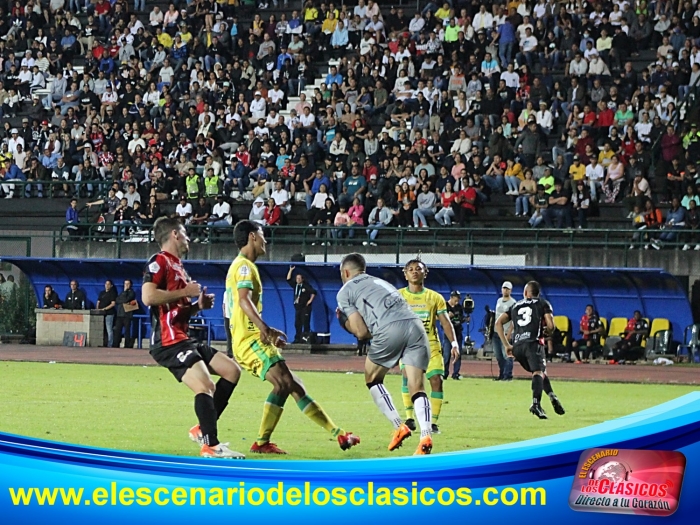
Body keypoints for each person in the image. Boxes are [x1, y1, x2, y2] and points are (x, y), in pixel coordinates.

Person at [227, 220, 359, 455]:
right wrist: (264, 329)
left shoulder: (243, 266)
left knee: (293, 384)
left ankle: (338, 434)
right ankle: (261, 442)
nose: (265, 239)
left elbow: (241, 308)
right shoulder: (245, 267)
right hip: (249, 341)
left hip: (253, 338)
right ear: (252, 237)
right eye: (262, 234)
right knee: (283, 383)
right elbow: (243, 301)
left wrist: (265, 331)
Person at [142, 217, 244, 459]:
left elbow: (176, 309)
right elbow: (148, 297)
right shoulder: (158, 261)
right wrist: (185, 292)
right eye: (185, 234)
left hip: (182, 337)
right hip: (168, 341)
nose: (189, 239)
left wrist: (197, 306)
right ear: (175, 234)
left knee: (232, 371)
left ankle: (202, 429)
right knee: (205, 385)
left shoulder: (179, 267)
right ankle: (211, 444)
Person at [337, 253, 448, 455]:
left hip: (389, 329)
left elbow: (362, 333)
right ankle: (425, 435)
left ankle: (399, 426)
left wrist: (344, 323)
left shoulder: (345, 291)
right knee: (417, 386)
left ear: (345, 272)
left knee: (372, 378)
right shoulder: (380, 282)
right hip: (416, 327)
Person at [398, 259, 459, 435]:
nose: (414, 272)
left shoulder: (435, 297)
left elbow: (446, 323)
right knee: (408, 380)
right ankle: (410, 419)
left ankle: (433, 423)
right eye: (410, 269)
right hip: (408, 346)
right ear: (405, 273)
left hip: (430, 346)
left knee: (437, 381)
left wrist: (454, 343)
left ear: (426, 272)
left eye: (418, 269)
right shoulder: (398, 296)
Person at [494, 281, 565, 419]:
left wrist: (507, 345)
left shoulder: (515, 305)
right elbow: (551, 325)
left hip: (518, 346)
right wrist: (548, 332)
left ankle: (552, 397)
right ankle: (536, 404)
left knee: (539, 372)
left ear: (526, 293)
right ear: (537, 293)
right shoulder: (543, 303)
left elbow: (498, 323)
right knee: (538, 372)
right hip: (533, 343)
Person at [492, 281, 516, 381]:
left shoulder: (513, 303)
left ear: (511, 290)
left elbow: (514, 320)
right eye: (504, 288)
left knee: (507, 354)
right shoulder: (498, 301)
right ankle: (501, 374)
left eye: (507, 289)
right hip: (496, 332)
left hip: (506, 332)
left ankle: (508, 375)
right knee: (499, 355)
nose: (505, 290)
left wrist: (509, 334)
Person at [286, 265, 316, 343]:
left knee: (305, 323)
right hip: (297, 308)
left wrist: (310, 300)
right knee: (297, 324)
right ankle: (297, 338)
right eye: (297, 278)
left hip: (305, 308)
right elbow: (288, 279)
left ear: (302, 279)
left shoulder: (306, 286)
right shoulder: (295, 286)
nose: (298, 280)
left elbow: (314, 292)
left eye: (299, 278)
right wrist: (290, 270)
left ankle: (305, 338)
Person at [444, 291, 465, 380]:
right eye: (456, 300)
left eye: (458, 300)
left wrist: (464, 319)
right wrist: (448, 316)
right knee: (446, 354)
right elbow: (438, 318)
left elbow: (460, 318)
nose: (457, 302)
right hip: (448, 333)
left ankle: (456, 373)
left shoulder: (459, 307)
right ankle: (444, 373)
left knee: (458, 354)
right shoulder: (445, 305)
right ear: (452, 297)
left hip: (458, 332)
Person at [114, 279, 137, 349]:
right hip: (120, 314)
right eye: (125, 284)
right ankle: (115, 344)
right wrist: (123, 296)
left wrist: (125, 292)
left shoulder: (131, 292)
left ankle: (127, 345)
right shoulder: (122, 292)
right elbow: (117, 300)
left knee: (127, 331)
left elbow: (126, 299)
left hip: (127, 315)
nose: (126, 285)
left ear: (130, 285)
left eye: (128, 284)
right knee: (117, 330)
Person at [97, 280, 117, 347]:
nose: (107, 285)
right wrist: (98, 309)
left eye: (108, 284)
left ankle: (110, 344)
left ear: (111, 285)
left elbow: (113, 304)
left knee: (109, 329)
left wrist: (104, 309)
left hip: (109, 313)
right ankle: (102, 343)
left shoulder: (112, 293)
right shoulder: (102, 293)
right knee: (101, 329)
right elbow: (98, 301)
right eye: (106, 284)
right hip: (101, 314)